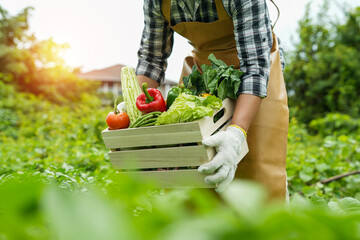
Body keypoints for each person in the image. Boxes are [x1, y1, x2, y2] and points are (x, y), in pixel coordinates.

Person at [136, 0, 289, 200]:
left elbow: (254, 67)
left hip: (256, 78)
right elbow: (151, 59)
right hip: (204, 75)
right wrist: (136, 110)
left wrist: (236, 134)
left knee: (260, 178)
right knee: (192, 176)